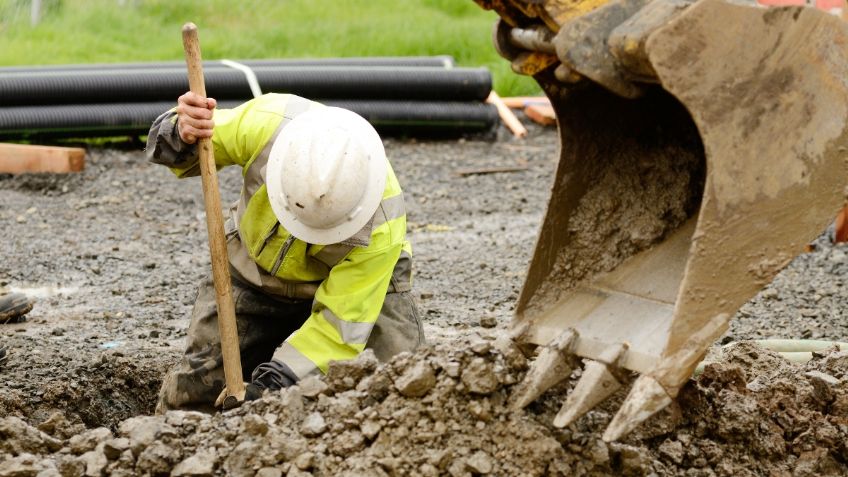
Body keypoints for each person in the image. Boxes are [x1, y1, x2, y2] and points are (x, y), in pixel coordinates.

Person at [146, 92, 425, 412]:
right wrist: (181, 132)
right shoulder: (267, 125)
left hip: (360, 293)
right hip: (253, 271)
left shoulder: (382, 227)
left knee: (402, 391)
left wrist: (268, 389)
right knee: (193, 395)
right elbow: (190, 146)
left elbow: (339, 331)